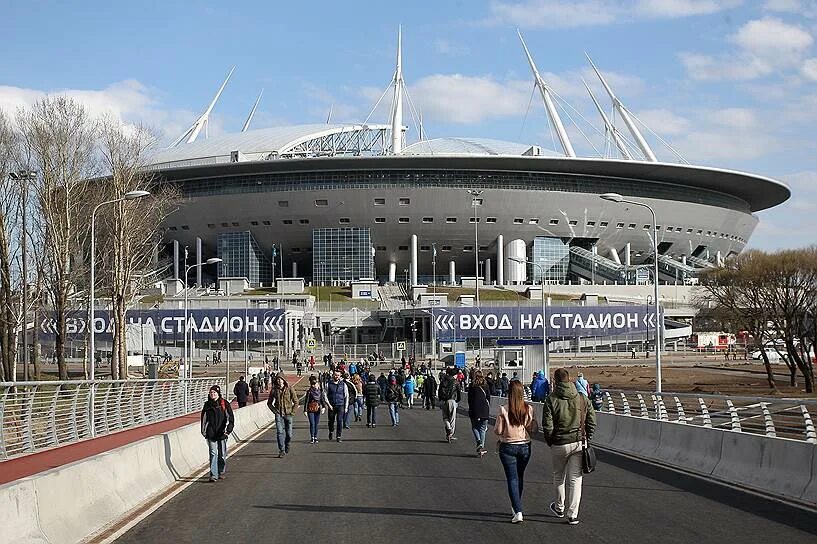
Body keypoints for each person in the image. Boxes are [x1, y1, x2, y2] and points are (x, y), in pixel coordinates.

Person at [542, 368, 597, 526]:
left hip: (559, 443)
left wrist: (550, 440)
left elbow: (547, 425)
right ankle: (572, 514)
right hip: (578, 443)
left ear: (555, 381)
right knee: (575, 480)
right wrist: (588, 436)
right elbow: (592, 421)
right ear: (569, 379)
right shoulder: (581, 398)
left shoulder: (551, 399)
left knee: (559, 476)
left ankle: (559, 507)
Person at [494, 380, 537, 523]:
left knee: (512, 478)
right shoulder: (528, 409)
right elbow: (531, 427)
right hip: (525, 446)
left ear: (509, 393)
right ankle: (516, 505)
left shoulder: (503, 410)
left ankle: (517, 510)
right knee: (520, 476)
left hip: (508, 447)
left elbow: (498, 430)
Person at [200, 385, 235, 482]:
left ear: (218, 393)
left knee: (222, 454)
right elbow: (204, 419)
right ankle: (213, 475)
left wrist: (228, 430)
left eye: (214, 392)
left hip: (222, 433)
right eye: (211, 392)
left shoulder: (224, 403)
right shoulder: (207, 405)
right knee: (213, 453)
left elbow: (230, 418)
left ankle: (221, 471)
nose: (213, 394)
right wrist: (203, 431)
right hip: (211, 433)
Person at [267, 374, 298, 457]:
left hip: (288, 414)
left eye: (280, 379)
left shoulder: (290, 388)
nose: (279, 381)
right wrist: (274, 410)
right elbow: (269, 403)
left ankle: (287, 443)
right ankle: (281, 450)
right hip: (279, 414)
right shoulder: (274, 390)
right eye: (277, 379)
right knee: (279, 432)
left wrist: (293, 412)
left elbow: (296, 402)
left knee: (289, 434)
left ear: (284, 380)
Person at [467, 370, 491, 458]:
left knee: (474, 427)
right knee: (482, 428)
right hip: (485, 410)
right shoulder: (486, 385)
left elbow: (469, 399)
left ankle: (479, 443)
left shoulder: (472, 386)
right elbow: (488, 398)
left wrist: (470, 408)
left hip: (474, 410)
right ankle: (481, 448)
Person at [323, 369, 348, 442]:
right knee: (331, 420)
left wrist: (346, 407)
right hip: (332, 405)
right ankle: (331, 431)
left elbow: (346, 395)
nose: (337, 376)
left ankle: (338, 436)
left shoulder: (343, 384)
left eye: (338, 375)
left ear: (340, 376)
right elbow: (325, 395)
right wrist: (328, 405)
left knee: (340, 421)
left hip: (340, 405)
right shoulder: (328, 384)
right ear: (333, 375)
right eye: (335, 375)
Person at [438, 370, 461, 442]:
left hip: (444, 401)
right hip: (452, 401)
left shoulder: (443, 381)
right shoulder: (456, 382)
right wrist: (457, 401)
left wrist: (440, 399)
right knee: (452, 418)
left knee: (445, 417)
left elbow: (439, 391)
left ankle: (448, 428)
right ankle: (451, 434)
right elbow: (458, 392)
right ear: (454, 375)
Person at [303, 375, 324, 443]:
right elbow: (306, 401)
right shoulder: (309, 391)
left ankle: (315, 437)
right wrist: (305, 410)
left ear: (318, 384)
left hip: (317, 409)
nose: (314, 385)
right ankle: (312, 437)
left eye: (315, 383)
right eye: (312, 384)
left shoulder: (320, 391)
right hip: (310, 409)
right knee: (312, 423)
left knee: (316, 424)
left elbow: (321, 399)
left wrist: (323, 407)